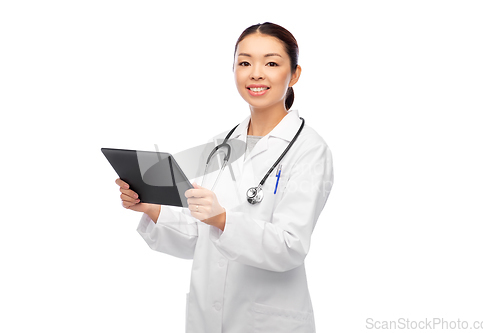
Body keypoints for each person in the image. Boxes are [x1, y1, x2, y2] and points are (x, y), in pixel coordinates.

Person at [115, 22, 333, 333]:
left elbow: (290, 245)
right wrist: (151, 208)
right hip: (207, 316)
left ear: (295, 74)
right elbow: (200, 238)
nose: (255, 73)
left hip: (269, 321)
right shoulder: (221, 144)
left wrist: (222, 220)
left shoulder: (309, 149)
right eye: (244, 62)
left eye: (271, 63)